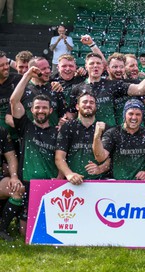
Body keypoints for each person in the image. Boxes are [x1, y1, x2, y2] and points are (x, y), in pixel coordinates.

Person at [10, 66, 62, 236]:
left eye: (44, 108)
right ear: (31, 110)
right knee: (26, 234)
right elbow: (14, 101)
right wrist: (27, 75)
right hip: (28, 183)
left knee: (50, 229)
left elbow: (62, 159)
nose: (40, 111)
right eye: (37, 108)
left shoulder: (58, 132)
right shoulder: (26, 126)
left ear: (50, 110)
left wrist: (58, 180)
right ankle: (4, 230)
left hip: (49, 185)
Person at [69, 52, 145, 127]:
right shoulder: (77, 88)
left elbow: (140, 89)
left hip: (109, 133)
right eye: (92, 63)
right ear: (86, 66)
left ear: (103, 67)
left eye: (98, 63)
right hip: (86, 133)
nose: (95, 66)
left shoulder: (113, 84)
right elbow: (72, 114)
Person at [56, 91, 110, 185]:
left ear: (96, 107)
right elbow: (59, 157)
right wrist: (69, 174)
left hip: (101, 183)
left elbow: (112, 158)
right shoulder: (68, 127)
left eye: (92, 102)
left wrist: (100, 169)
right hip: (73, 183)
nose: (88, 105)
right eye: (84, 102)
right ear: (77, 106)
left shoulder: (105, 128)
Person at [93, 99, 145, 180]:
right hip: (118, 183)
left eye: (138, 114)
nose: (134, 117)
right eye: (130, 114)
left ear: (142, 116)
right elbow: (100, 157)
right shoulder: (113, 133)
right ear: (124, 115)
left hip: (141, 182)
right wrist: (97, 136)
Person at [105, 52, 145, 131]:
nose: (135, 68)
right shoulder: (104, 84)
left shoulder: (136, 83)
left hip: (137, 130)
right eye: (131, 66)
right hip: (116, 130)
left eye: (121, 67)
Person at [11, 56, 65, 128]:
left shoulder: (56, 88)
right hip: (29, 136)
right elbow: (11, 113)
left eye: (48, 67)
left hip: (51, 136)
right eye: (43, 69)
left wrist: (62, 124)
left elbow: (63, 116)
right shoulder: (22, 90)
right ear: (34, 71)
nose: (48, 71)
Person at [0, 126, 24, 241]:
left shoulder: (2, 130)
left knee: (17, 189)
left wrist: (14, 176)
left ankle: (2, 229)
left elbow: (11, 157)